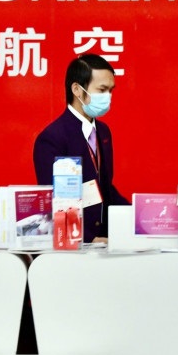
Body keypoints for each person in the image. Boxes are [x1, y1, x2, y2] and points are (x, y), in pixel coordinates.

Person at [33, 54, 130, 243]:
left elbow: (105, 187)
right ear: (77, 89)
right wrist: (88, 238)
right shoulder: (52, 138)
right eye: (102, 90)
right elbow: (54, 201)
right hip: (73, 245)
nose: (108, 97)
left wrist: (139, 217)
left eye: (111, 90)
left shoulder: (103, 131)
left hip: (104, 242)